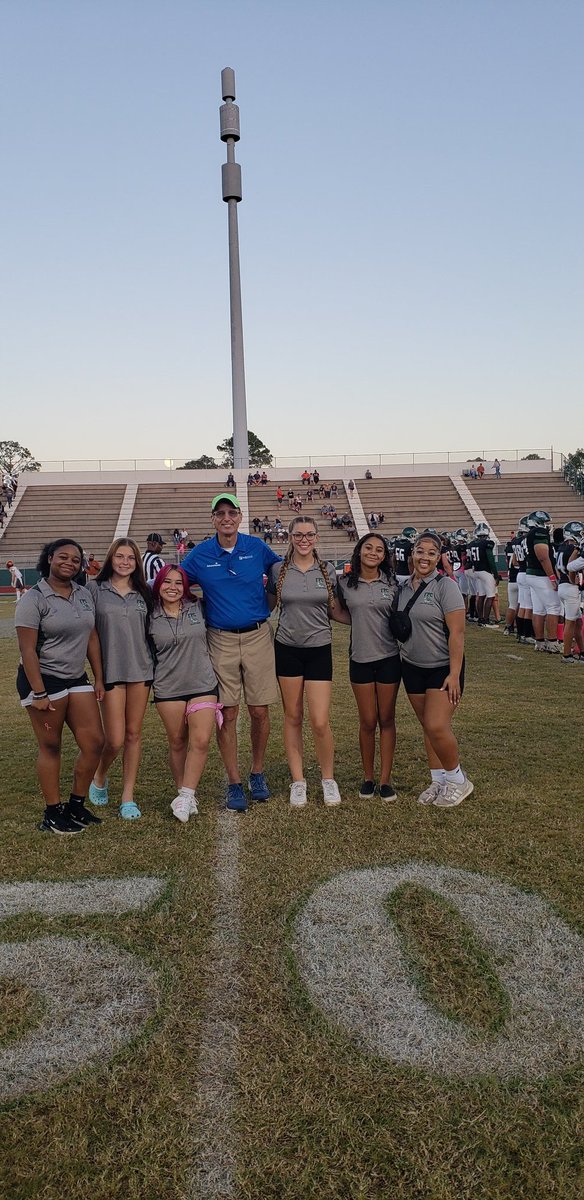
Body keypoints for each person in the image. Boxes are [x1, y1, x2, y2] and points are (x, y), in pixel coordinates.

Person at [181, 493, 281, 812]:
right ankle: (234, 780)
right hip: (220, 638)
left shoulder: (256, 547)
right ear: (213, 519)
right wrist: (196, 606)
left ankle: (257, 773)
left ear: (240, 517)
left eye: (231, 512)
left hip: (257, 636)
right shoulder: (200, 554)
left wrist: (269, 601)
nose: (226, 517)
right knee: (229, 712)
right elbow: (177, 582)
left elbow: (280, 570)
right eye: (220, 513)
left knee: (260, 710)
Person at [15, 539, 105, 834]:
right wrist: (38, 692)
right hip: (43, 678)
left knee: (94, 743)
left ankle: (75, 805)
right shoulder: (34, 598)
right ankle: (52, 813)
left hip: (75, 676)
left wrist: (99, 678)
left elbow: (91, 638)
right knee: (51, 746)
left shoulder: (82, 594)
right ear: (49, 558)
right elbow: (28, 650)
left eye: (76, 559)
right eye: (63, 557)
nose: (69, 562)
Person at [267, 516, 341, 809]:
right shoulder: (278, 570)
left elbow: (336, 610)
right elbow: (267, 605)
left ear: (317, 537)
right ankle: (298, 781)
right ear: (290, 537)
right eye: (298, 535)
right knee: (293, 717)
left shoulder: (328, 570)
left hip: (319, 649)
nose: (304, 539)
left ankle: (328, 779)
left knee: (320, 721)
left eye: (309, 534)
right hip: (287, 649)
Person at [397, 530, 472, 808]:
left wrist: (454, 674)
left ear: (438, 557)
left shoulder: (445, 586)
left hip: (442, 667)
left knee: (437, 725)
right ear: (412, 554)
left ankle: (457, 780)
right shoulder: (403, 587)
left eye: (431, 552)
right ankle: (438, 780)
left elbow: (457, 633)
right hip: (412, 667)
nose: (424, 557)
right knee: (427, 728)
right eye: (420, 551)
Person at [87, 539, 153, 819]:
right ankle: (99, 775)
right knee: (114, 739)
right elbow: (89, 635)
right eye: (119, 556)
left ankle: (128, 797)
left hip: (142, 671)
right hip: (111, 672)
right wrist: (98, 676)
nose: (125, 562)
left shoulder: (145, 592)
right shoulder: (94, 590)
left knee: (133, 735)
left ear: (137, 562)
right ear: (110, 558)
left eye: (130, 558)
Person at [149, 565, 220, 821]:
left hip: (203, 683)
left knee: (200, 741)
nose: (173, 587)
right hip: (168, 687)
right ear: (158, 584)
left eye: (178, 583)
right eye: (167, 582)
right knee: (178, 741)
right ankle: (182, 792)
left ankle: (187, 795)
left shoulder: (197, 607)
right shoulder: (149, 614)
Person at [337, 533, 400, 801]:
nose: (373, 553)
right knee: (367, 721)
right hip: (360, 658)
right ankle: (368, 777)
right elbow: (335, 610)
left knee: (386, 719)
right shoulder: (344, 582)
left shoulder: (394, 583)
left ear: (385, 556)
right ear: (359, 551)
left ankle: (385, 780)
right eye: (368, 547)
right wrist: (359, 622)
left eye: (379, 550)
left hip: (388, 657)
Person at [555, 522, 584, 663]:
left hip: (562, 586)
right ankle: (566, 655)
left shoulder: (561, 547)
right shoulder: (573, 549)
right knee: (570, 623)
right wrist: (573, 582)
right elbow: (571, 567)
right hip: (570, 588)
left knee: (577, 622)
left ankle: (582, 651)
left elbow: (557, 568)